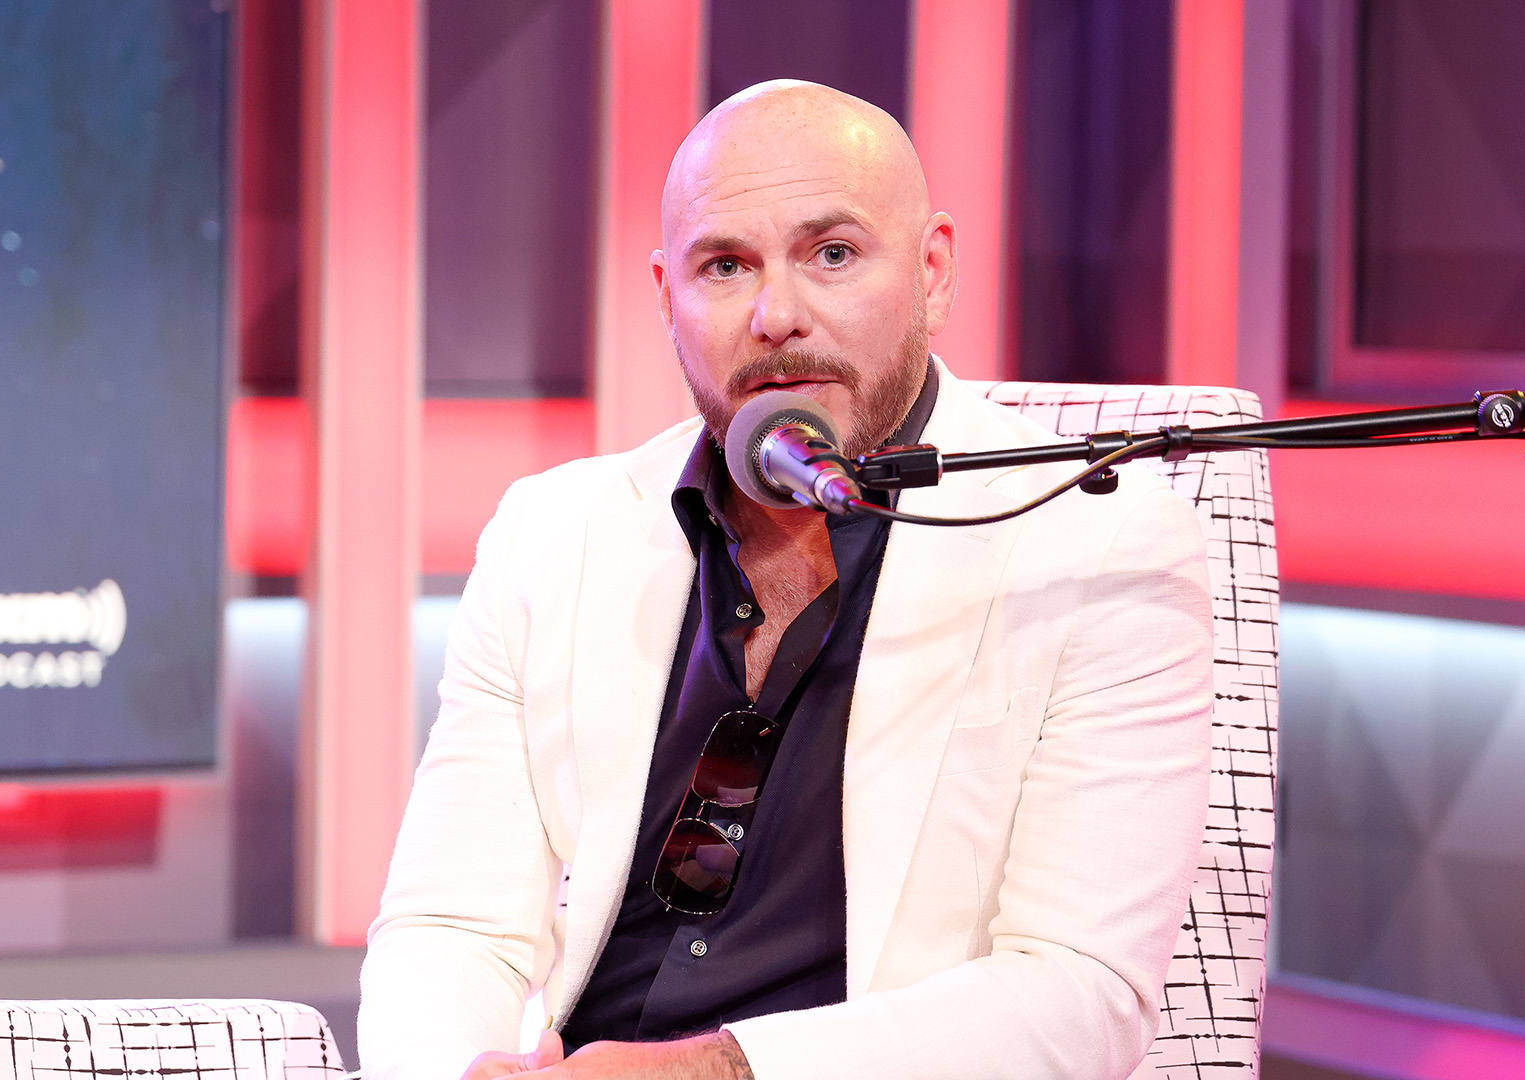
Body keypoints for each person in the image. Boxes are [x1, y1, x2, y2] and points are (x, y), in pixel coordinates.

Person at [358, 81, 1214, 1080]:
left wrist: (717, 1072)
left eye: (833, 255)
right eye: (725, 266)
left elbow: (1080, 999)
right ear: (667, 298)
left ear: (934, 274)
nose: (777, 315)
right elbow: (450, 922)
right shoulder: (552, 535)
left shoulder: (1097, 544)